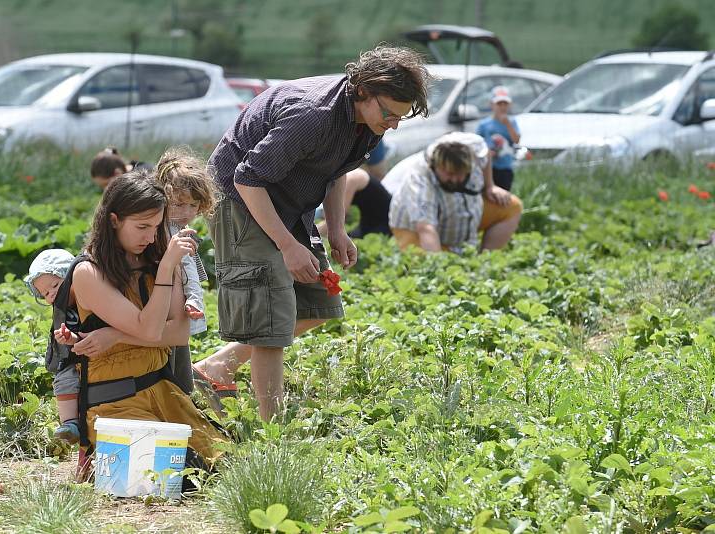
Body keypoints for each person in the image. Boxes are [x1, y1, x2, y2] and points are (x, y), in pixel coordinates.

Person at [193, 45, 431, 421]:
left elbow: (336, 170)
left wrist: (336, 229)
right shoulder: (313, 116)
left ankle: (217, 366)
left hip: (288, 200)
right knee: (269, 324)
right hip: (239, 199)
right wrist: (287, 246)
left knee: (320, 301)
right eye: (389, 114)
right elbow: (247, 177)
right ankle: (275, 434)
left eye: (401, 118)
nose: (393, 124)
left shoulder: (369, 123)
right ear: (363, 91)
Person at [53, 171, 224, 463]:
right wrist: (168, 267)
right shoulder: (88, 272)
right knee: (181, 474)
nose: (150, 237)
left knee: (223, 462)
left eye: (157, 227)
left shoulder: (157, 260)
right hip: (114, 404)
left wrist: (116, 334)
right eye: (142, 227)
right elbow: (150, 330)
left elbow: (179, 334)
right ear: (114, 220)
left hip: (163, 392)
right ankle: (91, 454)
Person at [387, 132, 522, 253]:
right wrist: (438, 267)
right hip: (414, 229)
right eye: (450, 174)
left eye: (461, 174)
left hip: (455, 213)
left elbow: (485, 152)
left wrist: (490, 186)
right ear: (436, 165)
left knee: (512, 206)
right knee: (426, 263)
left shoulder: (473, 146)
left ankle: (485, 259)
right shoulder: (420, 182)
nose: (455, 179)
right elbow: (426, 228)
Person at [153, 146, 218, 394]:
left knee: (177, 361)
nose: (186, 212)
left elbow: (189, 272)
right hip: (164, 309)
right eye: (178, 204)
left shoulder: (178, 230)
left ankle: (182, 404)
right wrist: (193, 297)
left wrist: (194, 298)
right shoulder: (160, 230)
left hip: (176, 309)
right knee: (167, 366)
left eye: (193, 205)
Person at [24, 248, 82, 444]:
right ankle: (70, 424)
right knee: (63, 381)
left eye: (56, 285)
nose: (51, 295)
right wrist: (67, 337)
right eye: (45, 294)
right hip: (72, 358)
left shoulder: (89, 297)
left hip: (97, 353)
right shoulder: (61, 308)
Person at [475, 86, 521, 191]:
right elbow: (477, 144)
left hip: (505, 167)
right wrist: (487, 152)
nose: (502, 107)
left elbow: (516, 140)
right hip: (488, 168)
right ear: (492, 105)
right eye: (499, 104)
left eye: (505, 104)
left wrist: (508, 124)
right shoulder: (484, 124)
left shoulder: (512, 122)